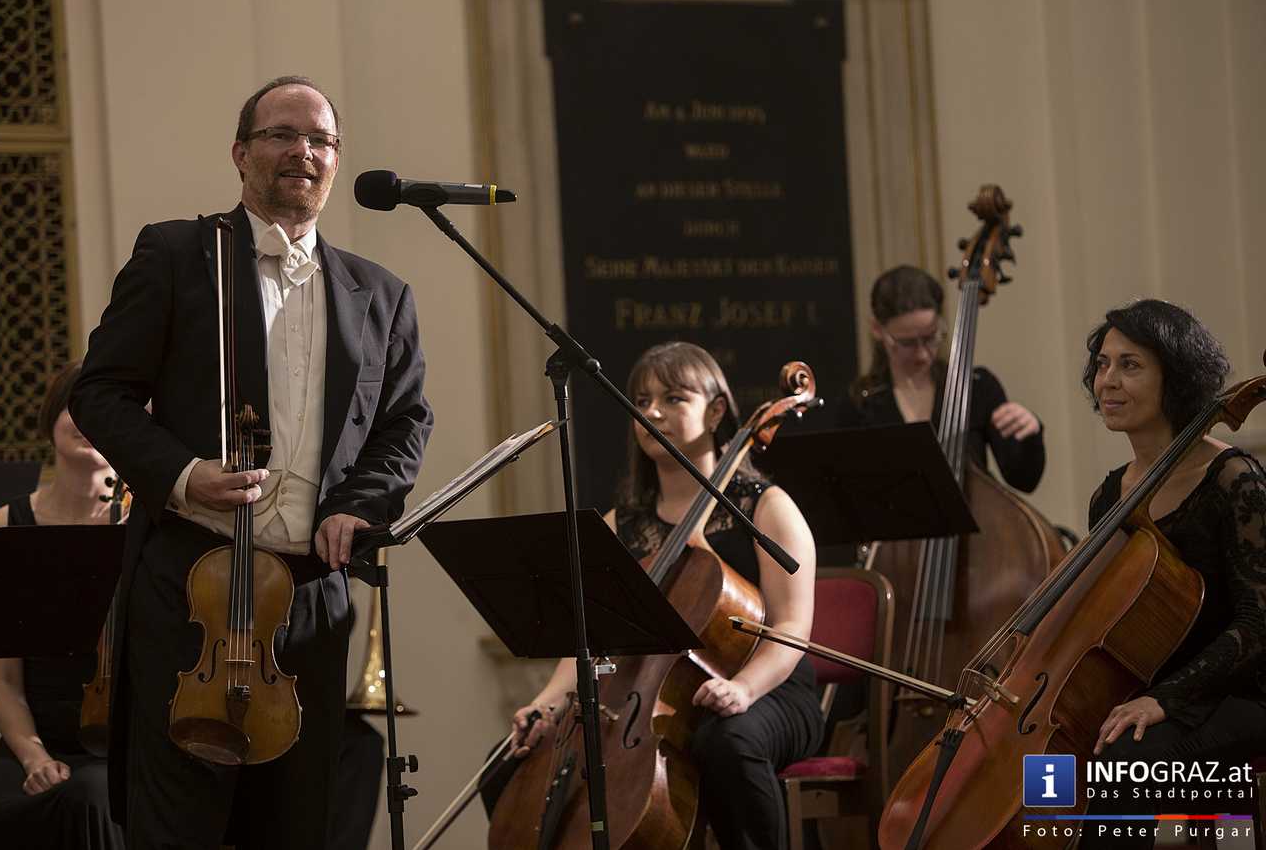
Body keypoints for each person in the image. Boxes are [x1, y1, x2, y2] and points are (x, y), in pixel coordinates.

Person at [68, 75, 433, 849]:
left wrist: (357, 503)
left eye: (321, 140)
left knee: (297, 828)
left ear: (336, 161)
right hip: (192, 590)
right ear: (241, 153)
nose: (303, 152)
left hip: (310, 602)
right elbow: (101, 392)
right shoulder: (175, 254)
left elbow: (403, 423)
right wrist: (181, 474)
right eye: (282, 135)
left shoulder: (382, 295)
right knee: (180, 830)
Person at [494, 341, 822, 850]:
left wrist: (746, 689)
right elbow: (588, 641)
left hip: (770, 687)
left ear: (716, 411)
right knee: (511, 767)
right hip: (651, 698)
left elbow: (792, 630)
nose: (651, 412)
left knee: (727, 744)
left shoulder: (767, 509)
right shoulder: (618, 525)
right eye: (641, 401)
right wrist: (544, 706)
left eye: (673, 399)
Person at [1077, 300, 1266, 848]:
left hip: (1240, 692)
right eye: (1103, 364)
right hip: (1154, 693)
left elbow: (1260, 624)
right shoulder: (1110, 495)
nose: (1107, 380)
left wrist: (1168, 698)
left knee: (1122, 768)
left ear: (1176, 379)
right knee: (1060, 765)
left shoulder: (1234, 479)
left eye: (1130, 365)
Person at [0, 361, 127, 849]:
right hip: (32, 737)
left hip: (122, 747)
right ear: (50, 418)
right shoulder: (5, 525)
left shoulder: (141, 527)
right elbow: (1, 679)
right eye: (75, 404)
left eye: (102, 410)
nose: (87, 420)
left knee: (91, 796)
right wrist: (34, 758)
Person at [834, 265, 1045, 493]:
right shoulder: (861, 405)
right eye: (907, 343)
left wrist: (1030, 431)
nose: (923, 353)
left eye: (930, 337)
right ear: (877, 329)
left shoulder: (976, 387)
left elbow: (1024, 480)